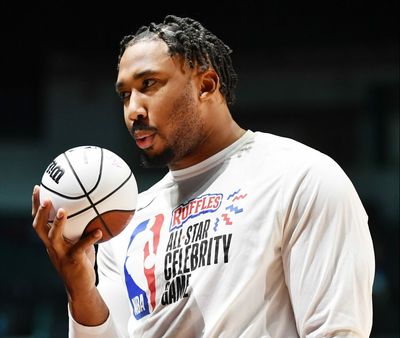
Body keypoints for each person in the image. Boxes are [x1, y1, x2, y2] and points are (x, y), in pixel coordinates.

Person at [32, 15, 375, 338]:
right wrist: (79, 286)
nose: (133, 109)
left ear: (207, 85)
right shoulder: (126, 224)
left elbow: (336, 330)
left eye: (148, 84)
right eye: (125, 95)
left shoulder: (299, 177)